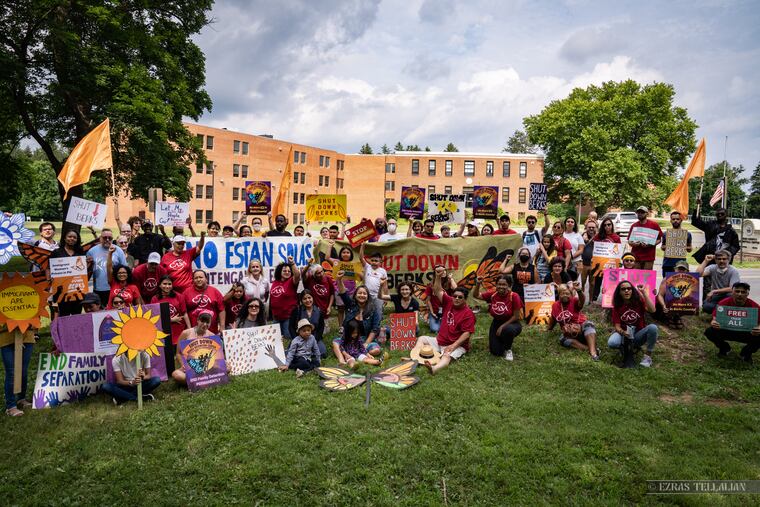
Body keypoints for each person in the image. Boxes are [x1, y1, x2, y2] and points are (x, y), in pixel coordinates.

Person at [415, 268, 476, 375]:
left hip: (455, 345)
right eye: (455, 296)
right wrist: (438, 277)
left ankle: (435, 369)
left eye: (460, 297)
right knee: (421, 339)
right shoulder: (449, 302)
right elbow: (438, 289)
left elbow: (467, 334)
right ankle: (415, 357)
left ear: (465, 299)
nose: (456, 299)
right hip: (440, 341)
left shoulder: (468, 313)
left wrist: (453, 346)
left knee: (446, 356)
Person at [704, 282, 760, 363]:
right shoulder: (723, 303)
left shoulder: (754, 306)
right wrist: (713, 322)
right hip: (727, 331)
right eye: (737, 291)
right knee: (709, 331)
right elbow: (714, 318)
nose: (740, 294)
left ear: (747, 294)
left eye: (743, 292)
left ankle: (746, 353)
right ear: (732, 292)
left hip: (746, 333)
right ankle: (725, 348)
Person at [607, 280, 658, 367]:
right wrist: (623, 333)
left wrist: (644, 293)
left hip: (638, 333)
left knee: (653, 328)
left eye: (629, 288)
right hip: (623, 334)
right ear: (619, 292)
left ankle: (647, 356)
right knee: (612, 343)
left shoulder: (639, 301)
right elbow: (617, 326)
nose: (626, 291)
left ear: (632, 290)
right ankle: (626, 349)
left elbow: (652, 310)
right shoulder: (617, 306)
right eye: (623, 289)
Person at [473, 274, 523, 361]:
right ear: (496, 285)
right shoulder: (493, 294)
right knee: (496, 352)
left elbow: (516, 316)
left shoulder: (514, 296)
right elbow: (476, 295)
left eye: (504, 284)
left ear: (509, 285)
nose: (501, 286)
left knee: (508, 330)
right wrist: (478, 284)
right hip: (496, 322)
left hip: (512, 323)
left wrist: (502, 326)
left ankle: (508, 350)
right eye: (499, 284)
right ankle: (503, 341)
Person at [548, 283, 599, 361]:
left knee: (589, 325)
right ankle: (589, 349)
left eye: (567, 293)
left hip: (581, 329)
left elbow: (582, 300)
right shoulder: (555, 305)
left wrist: (579, 290)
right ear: (559, 295)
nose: (565, 295)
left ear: (571, 295)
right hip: (569, 333)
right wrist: (549, 329)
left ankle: (593, 353)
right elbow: (553, 318)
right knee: (562, 340)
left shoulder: (574, 301)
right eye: (562, 293)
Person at [336, 272, 382, 357]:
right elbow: (343, 293)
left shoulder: (373, 309)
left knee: (376, 350)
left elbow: (375, 329)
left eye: (364, 294)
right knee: (336, 342)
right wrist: (339, 280)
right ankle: (358, 353)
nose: (362, 295)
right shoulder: (350, 304)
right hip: (349, 339)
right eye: (359, 293)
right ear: (355, 295)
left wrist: (366, 344)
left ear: (368, 296)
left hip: (365, 339)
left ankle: (355, 352)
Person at [150, 275, 190, 374]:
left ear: (172, 285)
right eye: (164, 284)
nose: (167, 286)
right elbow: (154, 317)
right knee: (168, 355)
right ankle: (169, 372)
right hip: (164, 331)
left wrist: (189, 329)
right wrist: (171, 320)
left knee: (180, 353)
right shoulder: (155, 299)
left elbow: (184, 313)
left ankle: (184, 370)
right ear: (159, 285)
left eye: (169, 284)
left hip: (178, 330)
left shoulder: (179, 296)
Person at [50, 229, 92, 317]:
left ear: (77, 240)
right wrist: (49, 278)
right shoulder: (56, 252)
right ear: (65, 238)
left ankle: (75, 331)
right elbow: (48, 268)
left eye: (74, 237)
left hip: (77, 290)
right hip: (62, 291)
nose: (72, 239)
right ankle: (65, 331)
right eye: (69, 236)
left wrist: (88, 263)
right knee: (64, 315)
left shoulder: (80, 252)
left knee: (76, 315)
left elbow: (82, 271)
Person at [88, 228, 127, 307]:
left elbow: (125, 269)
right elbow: (87, 270)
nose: (107, 240)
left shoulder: (118, 250)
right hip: (98, 288)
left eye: (110, 238)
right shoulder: (92, 251)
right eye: (105, 237)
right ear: (100, 238)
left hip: (115, 288)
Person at [1, 324, 35, 416]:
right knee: (12, 372)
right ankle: (11, 407)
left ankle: (21, 399)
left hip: (27, 335)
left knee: (23, 371)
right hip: (6, 336)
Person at [172, 312, 214, 385]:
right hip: (190, 367)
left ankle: (196, 382)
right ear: (197, 320)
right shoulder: (186, 333)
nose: (204, 324)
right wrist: (183, 365)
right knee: (176, 375)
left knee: (228, 367)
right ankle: (205, 381)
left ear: (210, 323)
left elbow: (214, 355)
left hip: (207, 368)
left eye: (207, 322)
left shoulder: (212, 335)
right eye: (202, 321)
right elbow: (178, 353)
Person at [183, 270, 225, 334]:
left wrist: (222, 326)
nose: (198, 279)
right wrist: (188, 328)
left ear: (206, 279)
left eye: (201, 277)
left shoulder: (215, 291)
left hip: (212, 331)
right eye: (196, 278)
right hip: (193, 331)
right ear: (193, 280)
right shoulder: (186, 292)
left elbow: (221, 309)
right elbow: (183, 312)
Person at [288, 290, 326, 358]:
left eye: (309, 297)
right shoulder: (297, 310)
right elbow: (291, 326)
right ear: (301, 300)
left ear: (312, 298)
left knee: (322, 352)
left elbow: (321, 327)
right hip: (299, 338)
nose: (308, 300)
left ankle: (306, 353)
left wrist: (315, 340)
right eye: (304, 299)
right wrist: (295, 339)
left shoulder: (319, 311)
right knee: (291, 353)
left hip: (314, 337)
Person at [269, 257, 301, 339]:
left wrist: (292, 263)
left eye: (289, 271)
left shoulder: (292, 281)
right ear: (280, 271)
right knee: (276, 339)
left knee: (288, 337)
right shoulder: (275, 282)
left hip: (288, 317)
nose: (287, 272)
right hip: (276, 317)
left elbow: (297, 275)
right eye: (284, 271)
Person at [655, 260, 690, 330]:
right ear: (675, 269)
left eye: (683, 269)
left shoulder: (689, 281)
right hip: (663, 303)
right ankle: (667, 317)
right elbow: (660, 295)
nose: (681, 271)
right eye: (679, 269)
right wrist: (663, 305)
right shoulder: (666, 279)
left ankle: (676, 316)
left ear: (687, 271)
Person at [627, 206, 662, 271]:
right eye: (638, 212)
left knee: (647, 278)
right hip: (636, 256)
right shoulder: (634, 225)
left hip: (649, 257)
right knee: (636, 278)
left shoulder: (654, 225)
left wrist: (650, 244)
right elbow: (629, 241)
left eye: (642, 212)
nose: (640, 214)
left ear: (647, 213)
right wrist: (634, 244)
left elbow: (659, 239)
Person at [660, 211, 693, 277]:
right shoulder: (666, 234)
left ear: (681, 220)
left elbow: (690, 249)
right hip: (667, 264)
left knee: (679, 285)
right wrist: (666, 247)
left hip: (681, 265)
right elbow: (662, 247)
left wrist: (684, 247)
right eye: (673, 219)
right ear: (670, 221)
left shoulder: (687, 234)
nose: (675, 221)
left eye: (677, 219)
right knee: (666, 284)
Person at [425, 264, 457, 333]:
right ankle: (433, 320)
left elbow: (456, 289)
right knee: (435, 329)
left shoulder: (449, 282)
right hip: (435, 312)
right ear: (435, 273)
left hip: (447, 311)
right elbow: (428, 300)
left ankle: (439, 321)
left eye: (444, 270)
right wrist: (432, 312)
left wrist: (451, 279)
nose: (443, 272)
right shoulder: (430, 285)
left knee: (448, 328)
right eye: (439, 270)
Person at [359, 243, 388, 318]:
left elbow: (385, 286)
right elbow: (361, 258)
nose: (374, 262)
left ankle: (376, 327)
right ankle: (366, 327)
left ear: (380, 262)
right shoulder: (367, 267)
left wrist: (385, 297)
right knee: (366, 312)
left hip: (378, 296)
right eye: (372, 260)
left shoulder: (383, 271)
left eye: (376, 261)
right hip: (367, 295)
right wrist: (362, 246)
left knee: (378, 312)